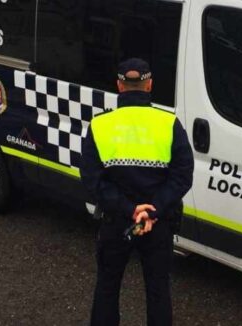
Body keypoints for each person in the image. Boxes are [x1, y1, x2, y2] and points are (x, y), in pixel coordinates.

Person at [81, 58, 194, 326]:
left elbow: (92, 179)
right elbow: (182, 176)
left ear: (119, 85)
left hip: (116, 222)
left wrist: (129, 210)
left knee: (108, 286)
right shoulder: (169, 124)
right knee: (158, 291)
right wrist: (152, 209)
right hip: (158, 223)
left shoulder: (100, 125)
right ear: (150, 85)